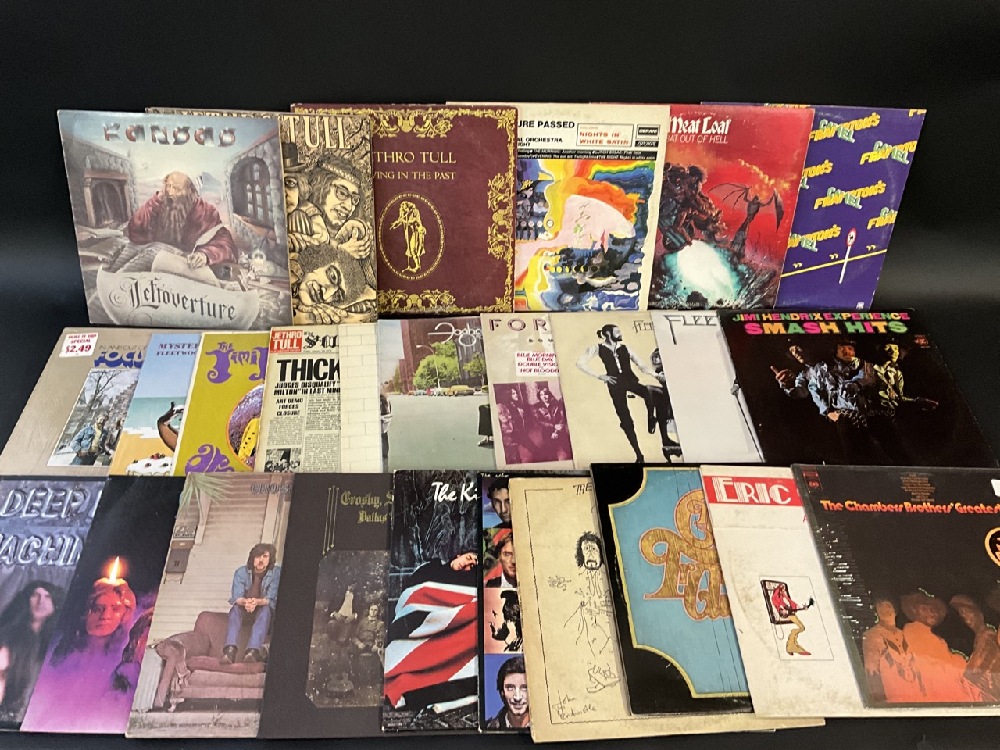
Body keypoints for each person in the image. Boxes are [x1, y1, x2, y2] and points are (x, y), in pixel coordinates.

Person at [383, 551, 478, 712]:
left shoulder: (467, 583)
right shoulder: (432, 568)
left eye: (472, 566)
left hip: (446, 631)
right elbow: (414, 592)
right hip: (419, 622)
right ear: (458, 555)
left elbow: (467, 601)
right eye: (468, 558)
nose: (467, 564)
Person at [120, 171, 238, 282]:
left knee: (152, 252)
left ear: (188, 192)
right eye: (168, 186)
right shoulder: (160, 204)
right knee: (131, 248)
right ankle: (114, 277)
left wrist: (205, 255)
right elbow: (135, 231)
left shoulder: (205, 212)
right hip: (159, 257)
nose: (170, 193)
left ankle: (119, 279)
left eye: (176, 189)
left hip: (187, 262)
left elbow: (226, 244)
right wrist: (154, 201)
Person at [576, 324, 656, 462]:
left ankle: (651, 418)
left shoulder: (625, 348)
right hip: (615, 384)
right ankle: (639, 454)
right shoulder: (597, 348)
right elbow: (580, 363)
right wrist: (600, 376)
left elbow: (642, 366)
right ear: (608, 333)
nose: (620, 333)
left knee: (648, 392)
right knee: (625, 418)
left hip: (630, 380)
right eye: (617, 331)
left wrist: (656, 375)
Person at [0, 582, 64, 720]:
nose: (41, 601)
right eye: (36, 595)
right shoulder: (7, 635)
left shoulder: (57, 644)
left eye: (47, 597)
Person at [900, 590, 977, 702]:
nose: (932, 613)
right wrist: (959, 660)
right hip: (937, 693)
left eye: (935, 611)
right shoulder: (914, 632)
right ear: (913, 610)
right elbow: (940, 664)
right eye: (924, 609)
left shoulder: (930, 635)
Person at [220, 543, 280, 665]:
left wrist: (256, 602)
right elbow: (236, 597)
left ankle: (252, 652)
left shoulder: (276, 573)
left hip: (264, 612)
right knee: (235, 609)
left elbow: (271, 598)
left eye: (265, 556)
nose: (261, 560)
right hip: (245, 608)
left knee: (266, 609)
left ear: (270, 559)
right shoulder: (241, 572)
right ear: (252, 558)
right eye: (257, 556)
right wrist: (246, 602)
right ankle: (229, 652)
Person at [861, 596, 921, 703]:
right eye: (881, 607)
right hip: (891, 695)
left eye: (888, 606)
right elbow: (871, 670)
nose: (885, 610)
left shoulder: (905, 634)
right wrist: (879, 700)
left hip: (914, 694)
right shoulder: (872, 635)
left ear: (895, 610)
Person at [949, 594, 1000, 702]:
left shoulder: (987, 635)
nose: (965, 617)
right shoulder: (981, 636)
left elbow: (976, 671)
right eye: (962, 614)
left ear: (980, 612)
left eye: (968, 611)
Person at [647, 348, 682, 460]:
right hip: (668, 397)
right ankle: (665, 440)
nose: (657, 360)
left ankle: (653, 420)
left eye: (658, 357)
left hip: (676, 396)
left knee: (651, 391)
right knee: (654, 396)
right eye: (655, 358)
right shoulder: (659, 370)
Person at [485, 656, 529, 730]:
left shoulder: (547, 727)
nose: (517, 697)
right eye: (510, 688)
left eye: (524, 688)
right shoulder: (488, 728)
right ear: (502, 692)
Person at [769, 582, 813, 656]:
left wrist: (802, 608)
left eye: (784, 589)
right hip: (786, 614)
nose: (784, 590)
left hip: (790, 613)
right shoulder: (776, 598)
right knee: (801, 628)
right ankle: (792, 647)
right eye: (783, 589)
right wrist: (782, 610)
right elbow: (775, 602)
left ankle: (792, 646)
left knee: (802, 628)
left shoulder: (784, 596)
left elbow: (793, 604)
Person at [532, 386, 571, 461]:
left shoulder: (556, 403)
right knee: (551, 453)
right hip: (547, 431)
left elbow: (562, 417)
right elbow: (539, 421)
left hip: (559, 429)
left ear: (549, 394)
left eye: (546, 394)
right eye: (541, 395)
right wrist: (554, 426)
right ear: (539, 397)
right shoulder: (537, 407)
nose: (544, 396)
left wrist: (556, 430)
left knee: (567, 448)